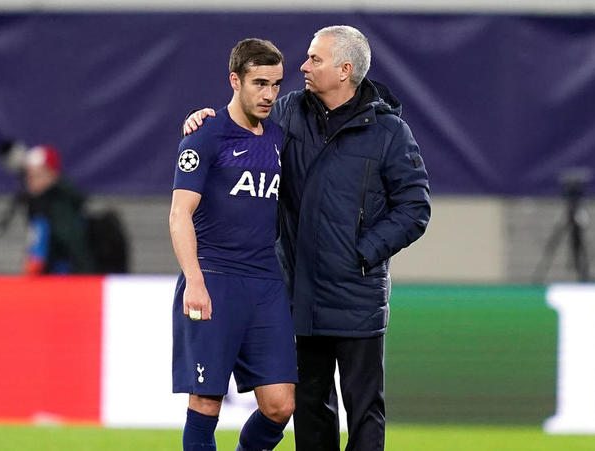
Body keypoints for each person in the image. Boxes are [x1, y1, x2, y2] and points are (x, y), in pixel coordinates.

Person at [184, 26, 431, 451]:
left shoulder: (390, 132)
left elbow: (415, 209)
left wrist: (363, 253)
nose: (303, 66)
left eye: (315, 59)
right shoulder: (285, 113)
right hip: (298, 296)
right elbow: (240, 126)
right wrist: (205, 122)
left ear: (345, 70)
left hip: (357, 295)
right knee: (311, 409)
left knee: (364, 411)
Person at [169, 38, 296, 451]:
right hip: (215, 280)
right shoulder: (205, 136)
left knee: (280, 405)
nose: (269, 94)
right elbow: (178, 215)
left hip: (265, 284)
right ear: (235, 80)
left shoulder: (278, 137)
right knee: (206, 402)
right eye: (259, 83)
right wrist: (195, 280)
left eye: (276, 84)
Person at [23, 144, 95, 274]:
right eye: (28, 176)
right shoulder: (58, 201)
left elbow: (37, 256)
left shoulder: (54, 207)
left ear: (52, 176)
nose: (30, 181)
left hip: (62, 281)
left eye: (37, 175)